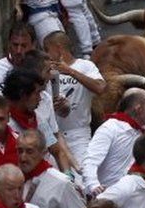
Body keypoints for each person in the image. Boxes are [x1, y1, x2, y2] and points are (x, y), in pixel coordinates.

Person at [42, 31, 106, 164]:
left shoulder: (85, 66)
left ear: (58, 48)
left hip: (79, 135)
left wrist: (70, 71)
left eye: (47, 50)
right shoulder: (46, 69)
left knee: (83, 175)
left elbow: (100, 87)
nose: (45, 55)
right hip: (53, 134)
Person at [16, 129, 85, 208]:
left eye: (29, 151)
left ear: (44, 153)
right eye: (20, 151)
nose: (23, 157)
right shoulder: (14, 180)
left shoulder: (60, 182)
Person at [83, 87, 145, 194]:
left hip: (134, 195)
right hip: (108, 196)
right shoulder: (109, 128)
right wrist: (93, 185)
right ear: (138, 108)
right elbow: (91, 161)